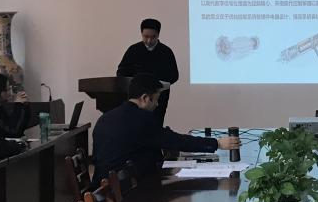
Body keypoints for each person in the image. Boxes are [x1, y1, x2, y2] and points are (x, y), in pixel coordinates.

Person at [92, 73, 238, 184]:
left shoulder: (105, 118)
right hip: (126, 195)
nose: (157, 105)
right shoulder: (141, 120)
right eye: (156, 99)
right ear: (145, 98)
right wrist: (217, 143)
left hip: (102, 191)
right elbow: (176, 141)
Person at [117, 18, 179, 126]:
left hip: (158, 99)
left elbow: (174, 75)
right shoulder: (133, 50)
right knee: (135, 127)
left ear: (158, 35)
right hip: (136, 99)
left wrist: (158, 84)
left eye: (153, 37)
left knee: (155, 127)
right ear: (141, 33)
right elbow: (121, 72)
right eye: (146, 36)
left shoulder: (166, 52)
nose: (149, 40)